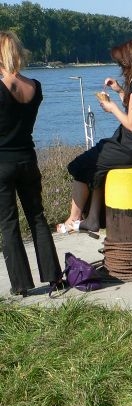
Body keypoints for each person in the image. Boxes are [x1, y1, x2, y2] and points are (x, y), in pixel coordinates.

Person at [56, 38, 132, 234]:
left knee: (82, 164)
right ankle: (92, 219)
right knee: (100, 163)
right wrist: (119, 90)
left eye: (122, 63)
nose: (121, 67)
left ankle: (73, 218)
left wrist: (112, 108)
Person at [0, 31, 62, 296]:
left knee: (8, 223)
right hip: (28, 158)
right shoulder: (35, 86)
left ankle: (21, 284)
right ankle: (53, 276)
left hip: (2, 163)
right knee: (37, 217)